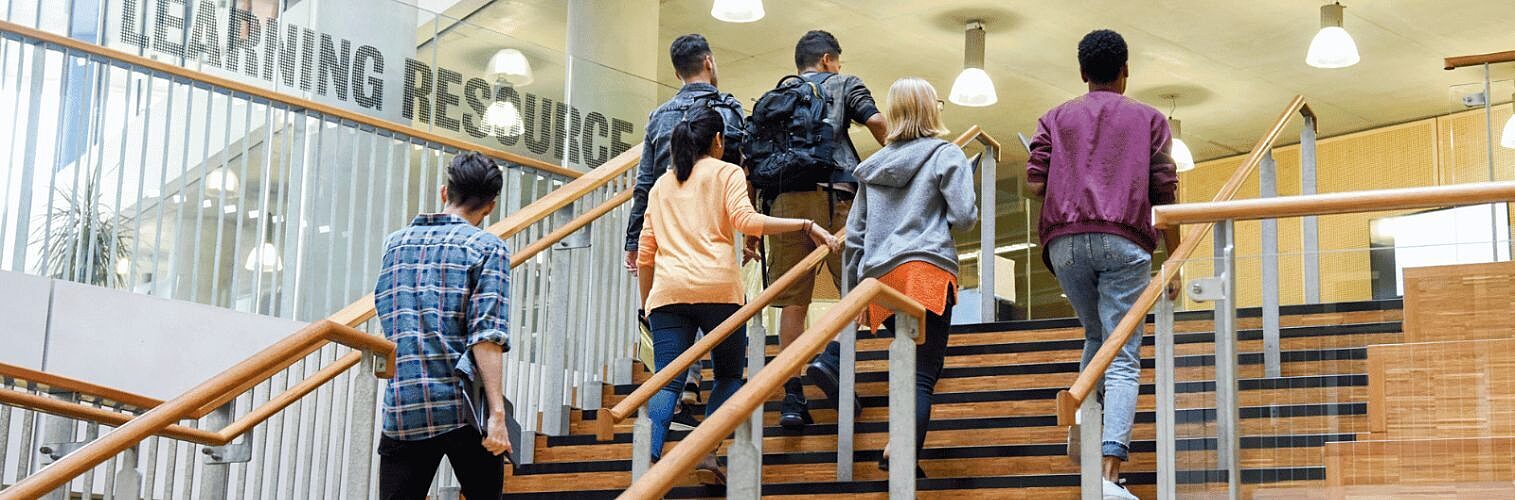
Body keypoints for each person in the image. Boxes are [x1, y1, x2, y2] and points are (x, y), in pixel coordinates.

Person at [637, 105, 840, 484]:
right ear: (717, 141)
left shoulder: (662, 184)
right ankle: (706, 453)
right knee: (729, 375)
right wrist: (806, 223)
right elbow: (746, 221)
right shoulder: (727, 172)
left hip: (667, 294)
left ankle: (647, 466)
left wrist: (647, 301)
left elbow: (646, 252)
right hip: (719, 292)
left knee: (667, 381)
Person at [1025, 29, 1181, 500]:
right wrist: (1173, 260)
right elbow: (1165, 195)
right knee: (1123, 354)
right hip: (1125, 241)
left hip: (1065, 242)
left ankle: (1084, 438)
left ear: (1082, 73)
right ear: (1126, 71)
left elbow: (1035, 184)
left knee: (1098, 336)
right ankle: (1109, 475)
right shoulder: (1150, 120)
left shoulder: (1054, 118)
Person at [840, 77, 978, 478]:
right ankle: (901, 456)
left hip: (881, 280)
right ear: (930, 110)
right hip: (926, 270)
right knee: (921, 373)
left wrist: (853, 295)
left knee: (904, 364)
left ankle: (894, 447)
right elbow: (965, 218)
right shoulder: (945, 155)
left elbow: (855, 236)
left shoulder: (872, 167)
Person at [758, 29, 888, 429]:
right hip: (835, 198)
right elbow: (878, 122)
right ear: (829, 59)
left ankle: (792, 398)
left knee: (792, 304)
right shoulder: (844, 84)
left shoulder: (776, 97)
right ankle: (831, 359)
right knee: (856, 293)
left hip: (783, 202)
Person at [622, 34, 748, 430]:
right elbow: (745, 167)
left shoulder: (659, 116)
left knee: (669, 359)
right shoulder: (726, 110)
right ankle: (701, 427)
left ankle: (668, 422)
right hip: (712, 240)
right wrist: (755, 234)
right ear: (709, 62)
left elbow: (644, 181)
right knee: (725, 355)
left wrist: (633, 241)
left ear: (677, 72)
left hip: (665, 237)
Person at [373, 152, 513, 500]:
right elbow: (486, 337)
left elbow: (388, 313)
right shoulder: (487, 248)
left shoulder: (395, 244)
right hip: (460, 404)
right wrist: (497, 414)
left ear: (443, 192)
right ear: (490, 206)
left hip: (404, 403)